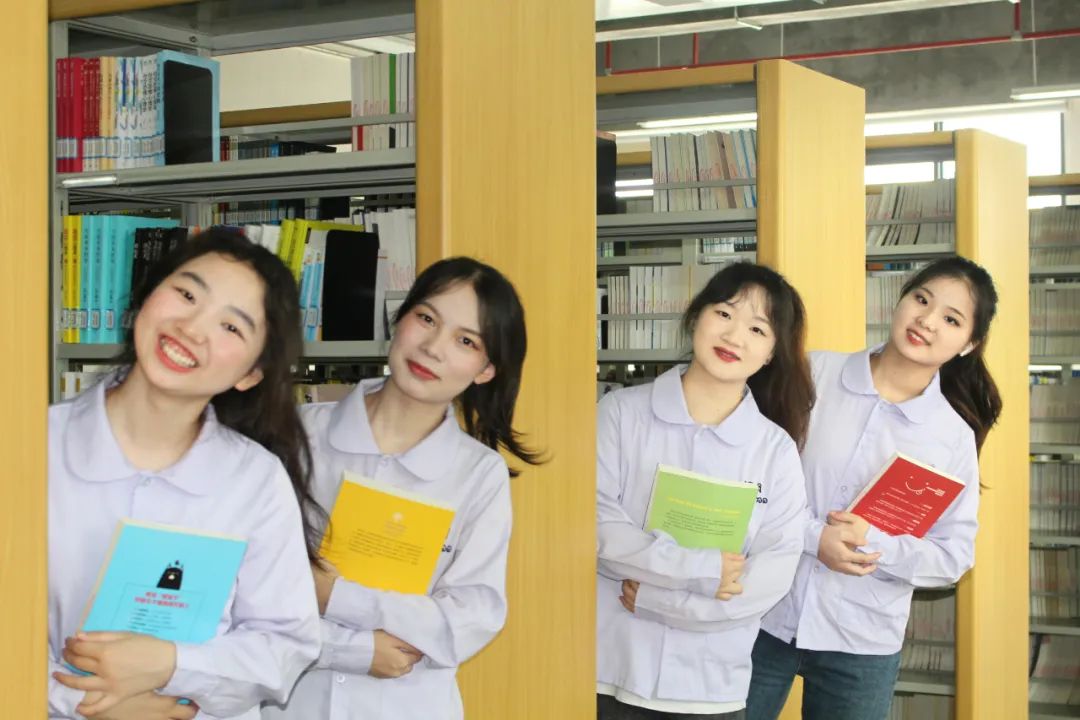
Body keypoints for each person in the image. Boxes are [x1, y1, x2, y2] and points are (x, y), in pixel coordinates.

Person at [50, 228, 323, 720]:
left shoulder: (256, 481)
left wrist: (172, 665)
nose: (193, 329)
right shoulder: (32, 446)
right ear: (146, 295)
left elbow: (285, 645)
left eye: (231, 327)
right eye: (187, 294)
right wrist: (80, 702)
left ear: (251, 374)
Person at [265, 256, 541, 720]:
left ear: (486, 370)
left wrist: (334, 596)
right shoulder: (294, 435)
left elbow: (468, 621)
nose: (433, 348)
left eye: (466, 341)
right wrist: (353, 650)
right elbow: (250, 591)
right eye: (426, 318)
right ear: (398, 319)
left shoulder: (479, 474)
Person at [749, 257, 1002, 720]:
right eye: (921, 300)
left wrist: (872, 545)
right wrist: (815, 538)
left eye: (951, 319)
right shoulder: (812, 373)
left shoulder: (951, 436)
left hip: (860, 642)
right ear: (900, 300)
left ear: (969, 344)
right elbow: (749, 484)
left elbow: (953, 556)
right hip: (761, 613)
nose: (927, 321)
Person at [596, 262, 815, 719]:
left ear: (771, 353)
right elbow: (599, 531)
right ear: (697, 316)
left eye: (757, 329)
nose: (734, 336)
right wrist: (704, 569)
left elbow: (770, 577)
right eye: (725, 313)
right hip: (608, 669)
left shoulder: (775, 450)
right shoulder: (618, 413)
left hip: (709, 686)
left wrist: (660, 601)